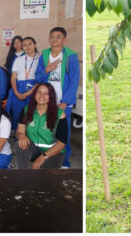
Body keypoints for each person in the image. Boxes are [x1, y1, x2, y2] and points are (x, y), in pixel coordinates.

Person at [38, 27, 79, 167]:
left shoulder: (71, 56)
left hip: (63, 103)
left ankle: (65, 161)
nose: (55, 39)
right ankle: (47, 157)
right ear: (49, 39)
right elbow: (37, 77)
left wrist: (65, 101)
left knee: (62, 133)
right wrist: (46, 70)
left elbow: (74, 80)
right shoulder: (43, 55)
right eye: (52, 36)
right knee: (47, 131)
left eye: (58, 36)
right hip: (45, 102)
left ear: (64, 39)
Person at [14, 83, 67, 170]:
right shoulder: (26, 110)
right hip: (34, 149)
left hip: (53, 153)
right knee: (19, 145)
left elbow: (61, 143)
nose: (42, 96)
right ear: (34, 94)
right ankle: (22, 174)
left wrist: (43, 156)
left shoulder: (60, 114)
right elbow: (19, 132)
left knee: (41, 177)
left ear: (51, 96)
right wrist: (21, 135)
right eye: (39, 92)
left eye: (46, 93)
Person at [9, 36, 41, 131]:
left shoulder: (40, 59)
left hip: (34, 89)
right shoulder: (18, 59)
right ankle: (18, 138)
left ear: (35, 44)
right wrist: (16, 92)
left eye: (30, 44)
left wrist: (27, 94)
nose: (27, 47)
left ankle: (30, 139)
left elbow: (41, 80)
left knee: (31, 115)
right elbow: (13, 77)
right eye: (24, 45)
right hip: (18, 89)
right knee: (17, 114)